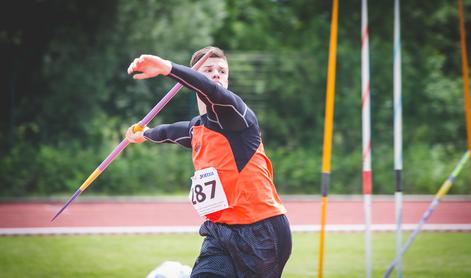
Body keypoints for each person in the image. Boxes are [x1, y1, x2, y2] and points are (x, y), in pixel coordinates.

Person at [126, 46, 292, 278]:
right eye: (209, 70)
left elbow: (212, 92)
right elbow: (172, 132)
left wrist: (167, 68)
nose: (216, 74)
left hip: (261, 231)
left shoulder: (238, 115)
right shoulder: (198, 128)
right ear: (195, 76)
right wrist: (144, 134)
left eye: (222, 71)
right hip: (220, 232)